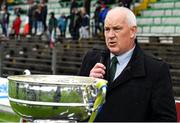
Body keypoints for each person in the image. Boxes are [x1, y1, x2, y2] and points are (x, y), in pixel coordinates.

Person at [79, 7, 177, 122]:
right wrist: (88, 87)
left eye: (117, 29)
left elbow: (166, 119)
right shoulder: (91, 59)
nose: (110, 35)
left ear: (132, 31)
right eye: (107, 29)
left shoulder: (156, 69)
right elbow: (75, 107)